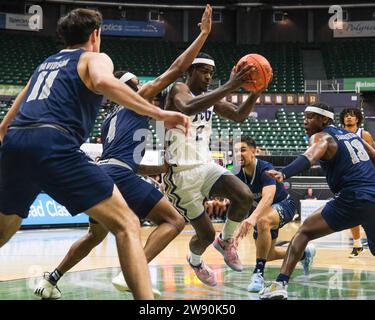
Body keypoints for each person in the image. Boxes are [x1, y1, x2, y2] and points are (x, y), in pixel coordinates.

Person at [0, 8, 190, 300]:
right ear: (95, 34)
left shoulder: (45, 64)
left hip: (16, 144)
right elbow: (102, 82)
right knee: (127, 224)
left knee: (4, 232)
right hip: (54, 142)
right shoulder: (94, 57)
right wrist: (157, 112)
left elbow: (7, 122)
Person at [163, 52, 265, 286]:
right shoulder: (178, 89)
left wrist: (254, 94)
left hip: (205, 166)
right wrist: (230, 85)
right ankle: (195, 260)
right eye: (203, 71)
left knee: (245, 196)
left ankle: (227, 241)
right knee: (205, 235)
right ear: (191, 71)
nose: (208, 77)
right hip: (180, 175)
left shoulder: (211, 98)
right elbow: (188, 107)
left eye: (211, 73)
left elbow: (239, 116)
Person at [259, 102, 375, 300]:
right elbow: (373, 155)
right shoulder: (353, 136)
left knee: (303, 232)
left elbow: (311, 156)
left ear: (324, 120)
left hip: (354, 196)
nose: (305, 121)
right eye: (304, 117)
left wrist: (284, 172)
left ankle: (279, 284)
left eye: (310, 117)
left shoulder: (321, 136)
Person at [233, 136, 315, 293]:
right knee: (268, 254)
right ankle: (304, 254)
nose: (238, 154)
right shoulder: (236, 173)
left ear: (254, 151)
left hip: (285, 205)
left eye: (242, 150)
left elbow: (268, 197)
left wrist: (252, 218)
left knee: (262, 220)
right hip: (264, 212)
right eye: (235, 151)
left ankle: (258, 274)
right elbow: (237, 202)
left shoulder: (265, 168)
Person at [340, 107, 375, 257]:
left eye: (352, 116)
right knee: (352, 211)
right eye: (346, 115)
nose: (349, 118)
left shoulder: (364, 134)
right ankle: (357, 244)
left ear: (357, 119)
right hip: (348, 178)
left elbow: (373, 155)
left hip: (366, 178)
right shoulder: (339, 134)